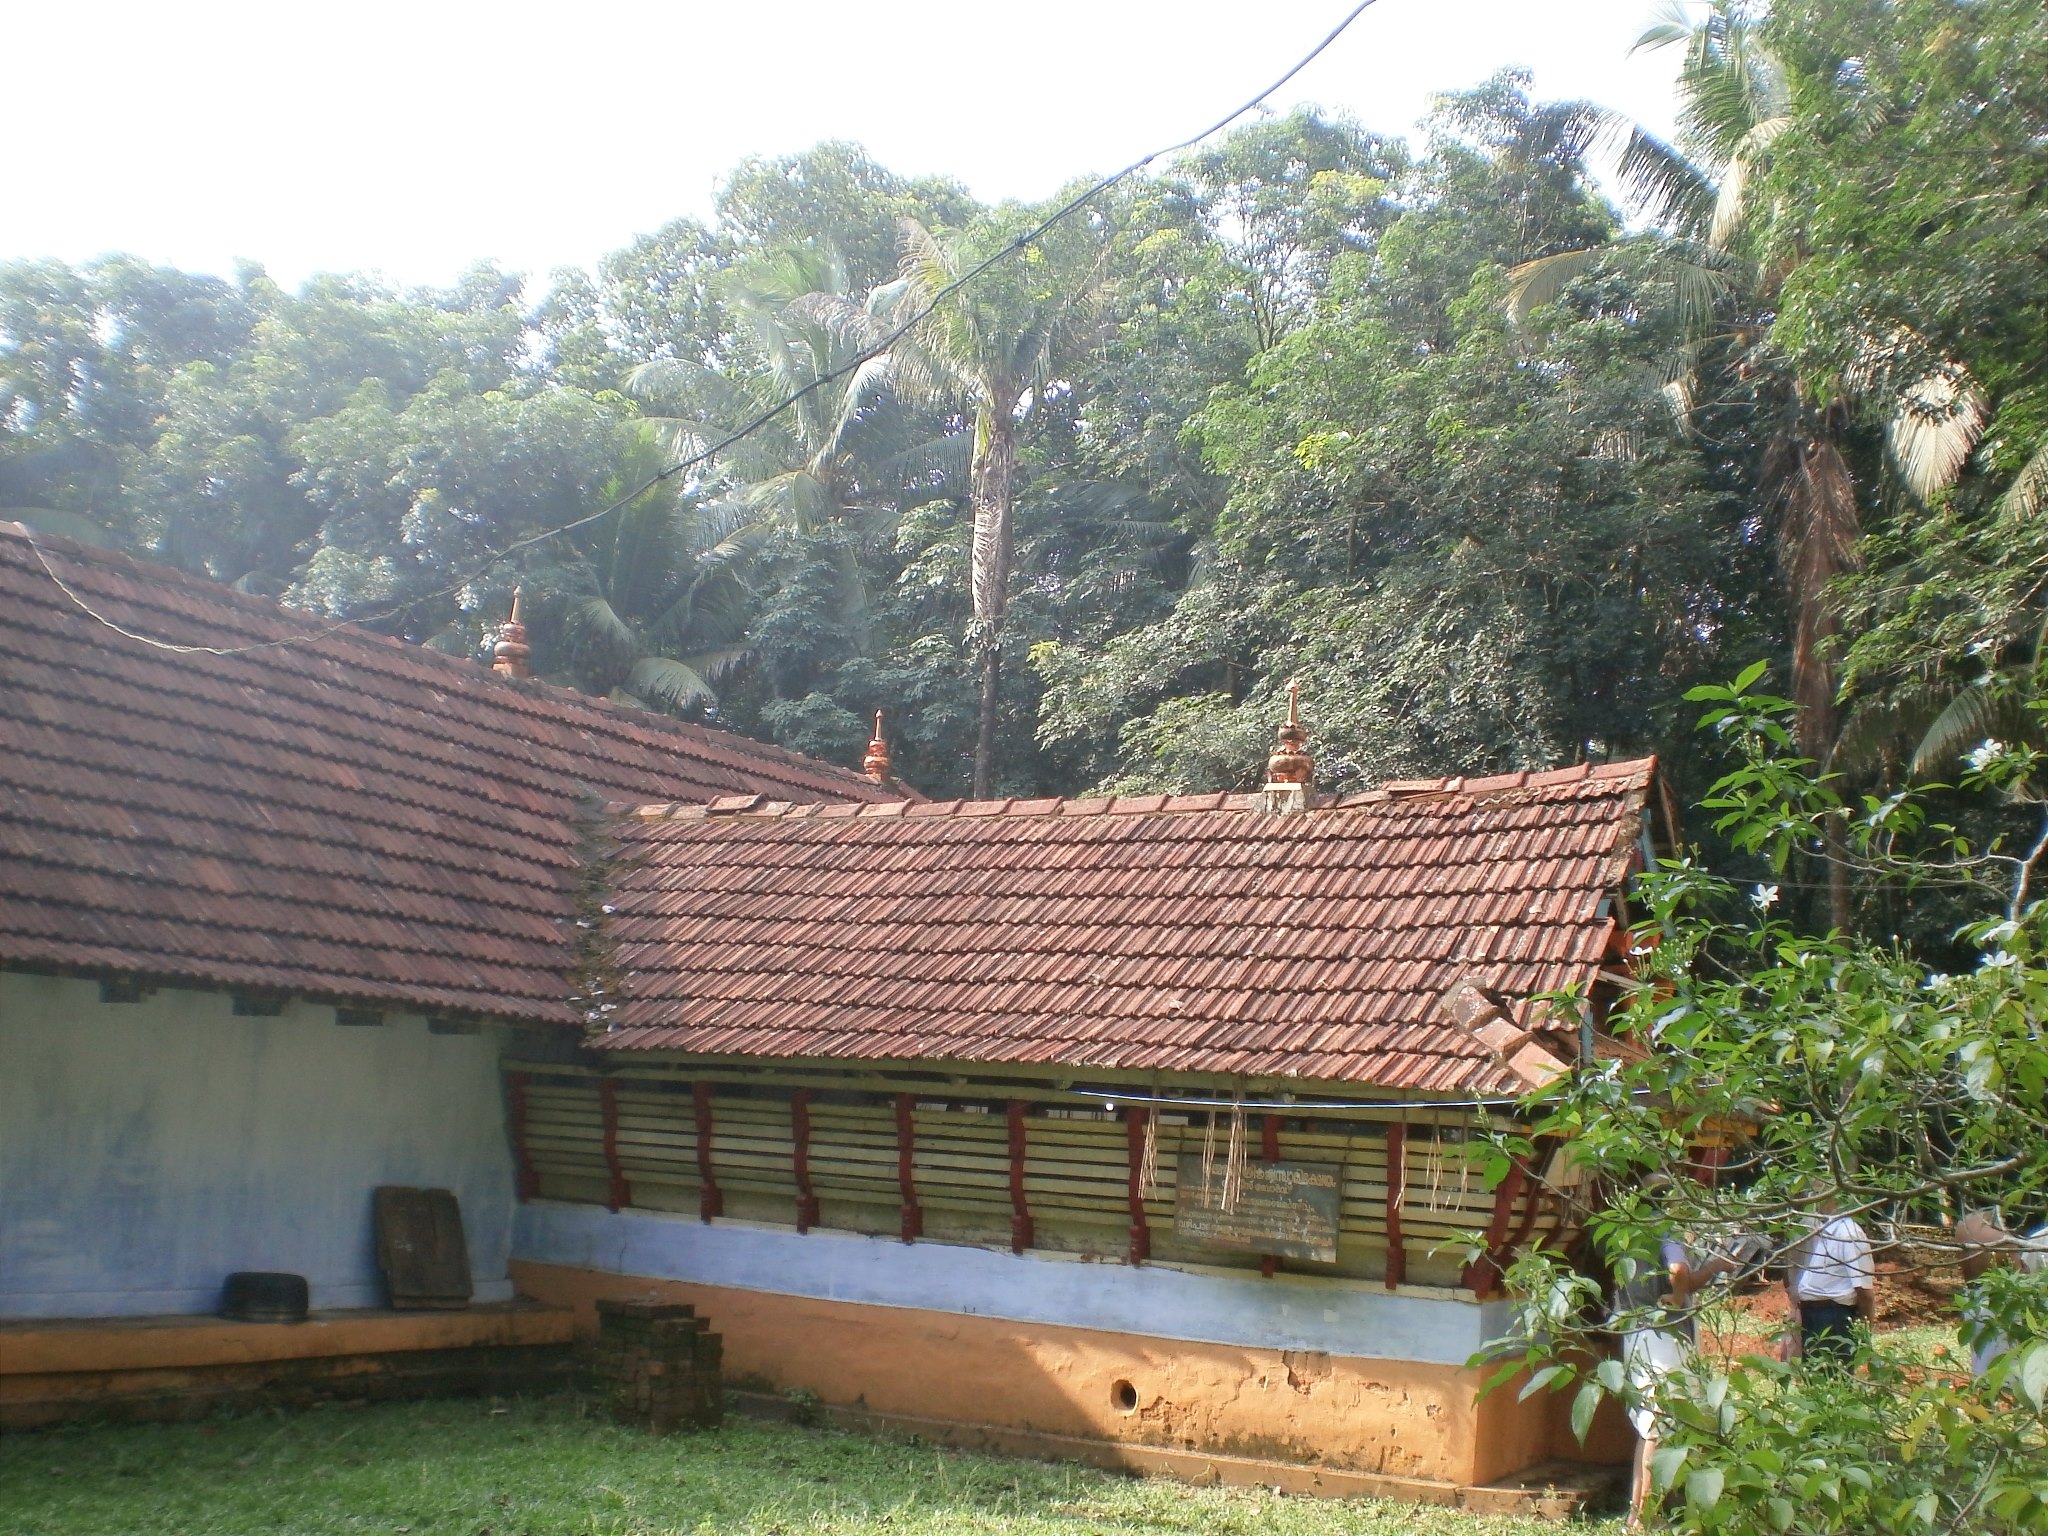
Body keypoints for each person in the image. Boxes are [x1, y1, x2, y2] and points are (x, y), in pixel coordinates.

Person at [1784, 1195, 1876, 1366]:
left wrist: (1865, 1327)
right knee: (1818, 1378)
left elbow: (1863, 1290)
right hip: (1814, 1313)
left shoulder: (1848, 1232)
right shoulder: (1815, 1227)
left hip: (1834, 1316)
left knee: (1831, 1376)